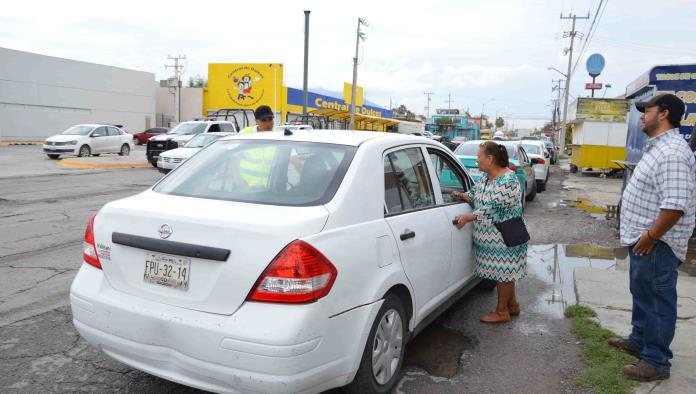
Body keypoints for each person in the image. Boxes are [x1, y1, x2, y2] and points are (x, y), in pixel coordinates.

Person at [610, 93, 696, 382]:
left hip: (657, 244)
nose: (642, 116)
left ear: (664, 113)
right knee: (643, 294)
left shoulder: (672, 152)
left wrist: (651, 235)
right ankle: (639, 340)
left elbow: (676, 205)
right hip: (644, 239)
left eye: (647, 110)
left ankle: (656, 361)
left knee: (658, 301)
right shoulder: (659, 148)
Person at [452, 141, 527, 323]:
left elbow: (493, 209)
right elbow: (476, 194)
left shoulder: (509, 180)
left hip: (505, 237)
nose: (477, 160)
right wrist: (462, 196)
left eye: (479, 157)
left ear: (490, 159)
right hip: (494, 241)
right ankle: (513, 305)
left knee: (504, 273)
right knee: (506, 274)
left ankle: (501, 312)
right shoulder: (487, 178)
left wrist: (468, 217)